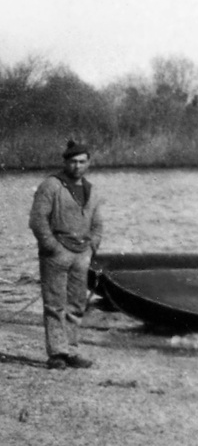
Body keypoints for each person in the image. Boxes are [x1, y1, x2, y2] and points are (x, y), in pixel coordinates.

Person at [29, 140, 104, 371]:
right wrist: (52, 246)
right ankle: (57, 353)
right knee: (54, 305)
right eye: (73, 161)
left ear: (88, 163)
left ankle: (72, 350)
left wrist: (92, 247)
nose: (77, 166)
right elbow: (37, 220)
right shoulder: (51, 186)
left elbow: (98, 223)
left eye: (82, 162)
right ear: (65, 162)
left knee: (76, 304)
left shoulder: (91, 190)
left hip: (82, 255)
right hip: (56, 253)